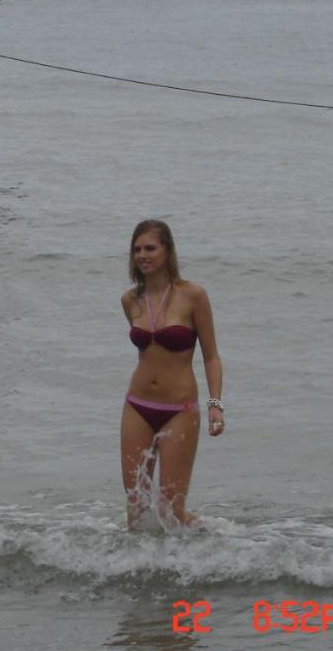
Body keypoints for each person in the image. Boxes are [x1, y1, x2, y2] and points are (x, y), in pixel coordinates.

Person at [119, 219, 224, 530]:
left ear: (167, 251)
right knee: (136, 510)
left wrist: (215, 403)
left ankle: (211, 542)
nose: (142, 255)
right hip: (137, 406)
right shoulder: (130, 300)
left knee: (171, 512)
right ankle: (140, 573)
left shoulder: (193, 296)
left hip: (179, 410)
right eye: (137, 249)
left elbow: (212, 356)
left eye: (150, 248)